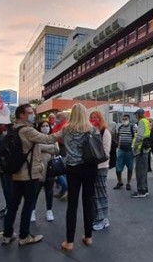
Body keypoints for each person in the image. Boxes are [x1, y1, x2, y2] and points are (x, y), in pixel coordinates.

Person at [2, 104, 58, 246]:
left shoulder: (13, 128)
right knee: (28, 205)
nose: (33, 114)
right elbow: (48, 139)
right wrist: (65, 131)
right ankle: (24, 236)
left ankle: (7, 235)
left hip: (15, 173)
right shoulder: (27, 130)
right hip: (29, 174)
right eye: (30, 112)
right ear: (22, 114)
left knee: (13, 205)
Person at [52, 103, 97, 252]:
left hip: (73, 168)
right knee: (88, 201)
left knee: (72, 204)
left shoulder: (66, 129)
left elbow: (50, 138)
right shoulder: (92, 129)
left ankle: (69, 241)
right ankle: (88, 237)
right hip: (90, 168)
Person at [30, 120, 60, 222]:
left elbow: (56, 150)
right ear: (39, 127)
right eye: (43, 126)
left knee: (49, 191)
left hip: (51, 169)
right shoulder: (36, 138)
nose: (46, 127)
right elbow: (36, 148)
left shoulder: (53, 137)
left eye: (47, 126)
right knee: (35, 192)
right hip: (39, 168)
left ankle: (49, 211)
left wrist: (43, 147)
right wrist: (49, 147)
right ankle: (32, 211)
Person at [90, 111, 112, 231]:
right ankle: (97, 217)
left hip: (101, 166)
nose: (93, 120)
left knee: (101, 193)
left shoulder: (105, 132)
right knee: (94, 194)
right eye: (91, 118)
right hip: (92, 167)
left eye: (96, 117)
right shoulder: (91, 132)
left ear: (100, 118)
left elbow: (105, 152)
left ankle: (103, 219)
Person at [131, 109, 151, 198]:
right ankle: (145, 189)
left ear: (138, 115)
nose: (135, 117)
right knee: (144, 170)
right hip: (145, 148)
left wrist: (134, 146)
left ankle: (141, 191)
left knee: (139, 171)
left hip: (140, 149)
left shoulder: (141, 122)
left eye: (136, 115)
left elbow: (139, 136)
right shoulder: (147, 121)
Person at [113, 114, 135, 191]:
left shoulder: (133, 127)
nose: (124, 120)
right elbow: (117, 137)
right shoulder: (120, 127)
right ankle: (119, 181)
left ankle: (128, 183)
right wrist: (117, 145)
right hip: (121, 150)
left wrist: (134, 148)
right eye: (123, 119)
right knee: (118, 168)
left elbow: (135, 137)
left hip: (129, 151)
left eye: (126, 119)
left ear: (129, 119)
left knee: (130, 167)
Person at [51, 111, 69, 200]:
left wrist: (56, 138)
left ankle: (66, 189)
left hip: (63, 150)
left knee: (60, 171)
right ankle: (63, 191)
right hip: (58, 150)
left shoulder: (65, 126)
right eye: (57, 117)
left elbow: (62, 139)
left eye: (59, 117)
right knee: (61, 171)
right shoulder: (57, 126)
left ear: (64, 118)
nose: (57, 119)